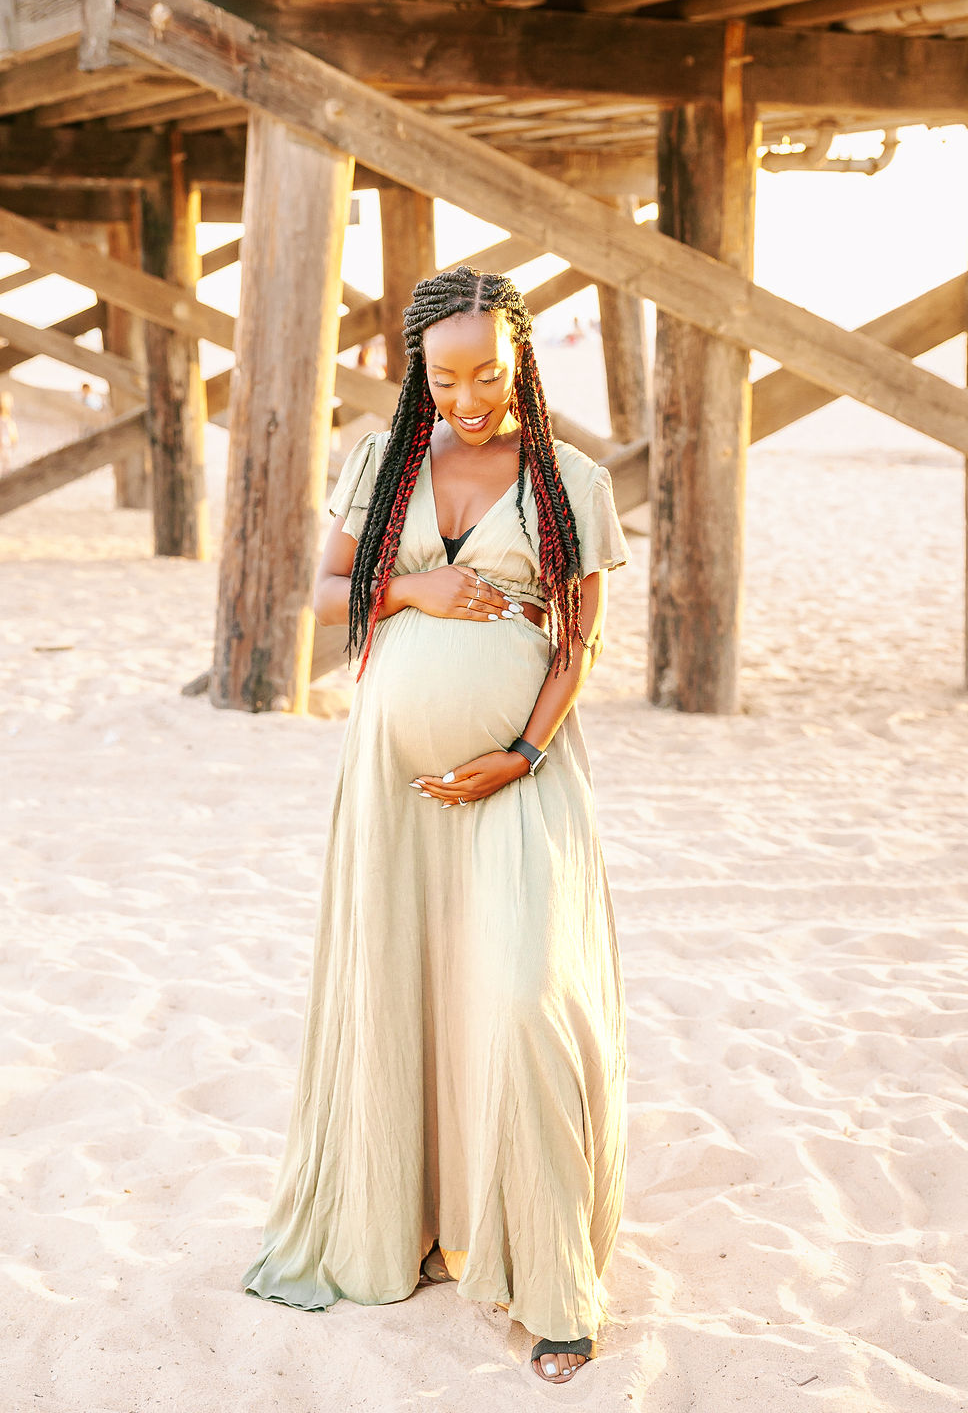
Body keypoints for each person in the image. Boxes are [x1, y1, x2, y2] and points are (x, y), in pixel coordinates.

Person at [241, 266, 631, 1385]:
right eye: (443, 374)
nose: (466, 396)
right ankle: (409, 1227)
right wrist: (412, 592)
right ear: (416, 370)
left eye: (485, 373)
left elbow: (580, 643)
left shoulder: (568, 482)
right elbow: (320, 593)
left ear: (521, 358)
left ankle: (554, 1283)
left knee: (520, 1003)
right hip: (391, 788)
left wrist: (523, 751)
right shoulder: (384, 464)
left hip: (520, 777)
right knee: (405, 994)